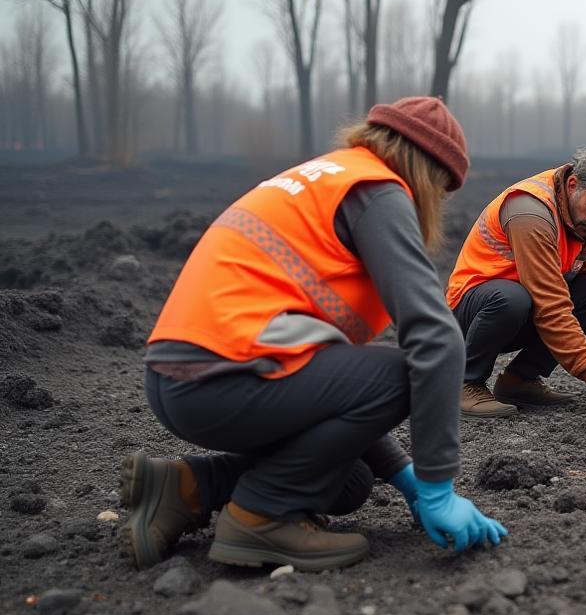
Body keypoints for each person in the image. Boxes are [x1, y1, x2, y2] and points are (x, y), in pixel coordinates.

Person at [124, 97, 505, 572]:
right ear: (429, 174)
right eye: (441, 190)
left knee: (351, 481)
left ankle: (186, 488)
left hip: (184, 376)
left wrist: (404, 477)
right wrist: (437, 487)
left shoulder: (328, 176)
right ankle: (259, 517)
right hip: (222, 377)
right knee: (407, 371)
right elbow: (436, 340)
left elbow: (340, 393)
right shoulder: (378, 191)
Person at [446, 148, 586, 418]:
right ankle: (466, 383)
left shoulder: (575, 207)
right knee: (512, 298)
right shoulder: (530, 213)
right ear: (573, 185)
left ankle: (519, 381)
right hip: (472, 312)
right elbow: (550, 304)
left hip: (518, 308)